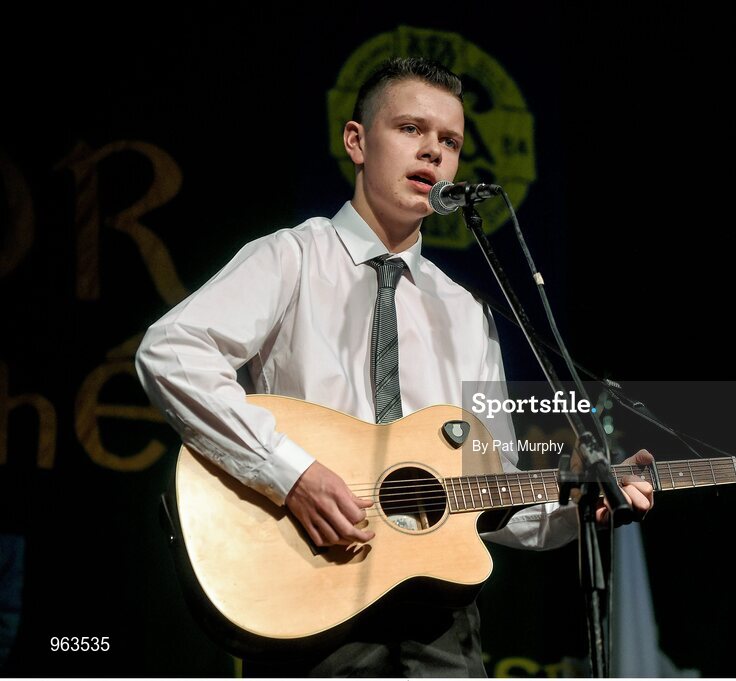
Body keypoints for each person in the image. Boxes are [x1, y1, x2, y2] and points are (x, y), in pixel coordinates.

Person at [135, 56, 654, 677]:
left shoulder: (465, 311)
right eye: (411, 129)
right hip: (310, 590)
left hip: (440, 623)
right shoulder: (291, 259)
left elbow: (494, 484)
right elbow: (171, 352)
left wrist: (576, 503)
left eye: (450, 142)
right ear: (357, 141)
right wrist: (290, 473)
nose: (433, 153)